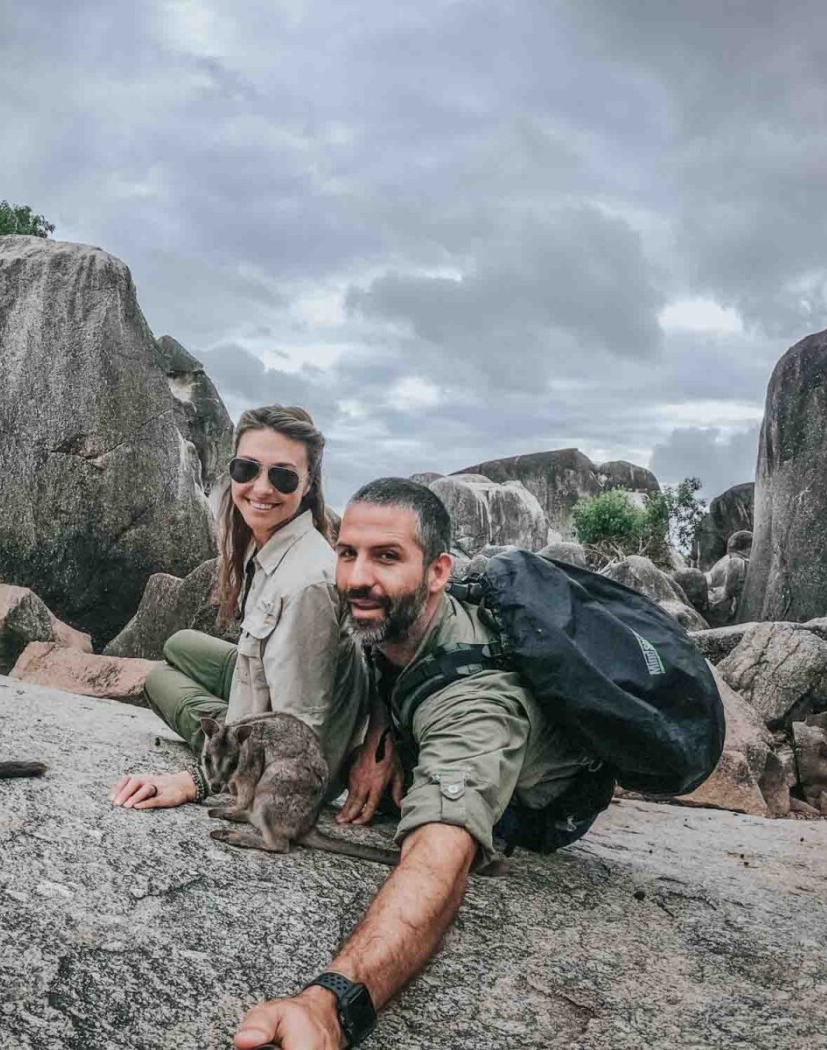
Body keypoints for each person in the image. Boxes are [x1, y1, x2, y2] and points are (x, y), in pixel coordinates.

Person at [232, 478, 596, 1050]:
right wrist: (382, 739)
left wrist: (330, 1005)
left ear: (438, 573)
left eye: (386, 557)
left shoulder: (477, 704)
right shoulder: (400, 622)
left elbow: (438, 865)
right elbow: (382, 657)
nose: (355, 578)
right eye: (347, 553)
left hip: (528, 802)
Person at [109, 405, 373, 812]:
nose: (262, 488)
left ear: (307, 485)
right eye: (247, 469)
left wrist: (198, 780)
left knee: (159, 680)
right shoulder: (268, 542)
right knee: (179, 643)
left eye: (282, 476)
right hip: (265, 688)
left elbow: (299, 731)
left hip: (289, 750)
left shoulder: (307, 585)